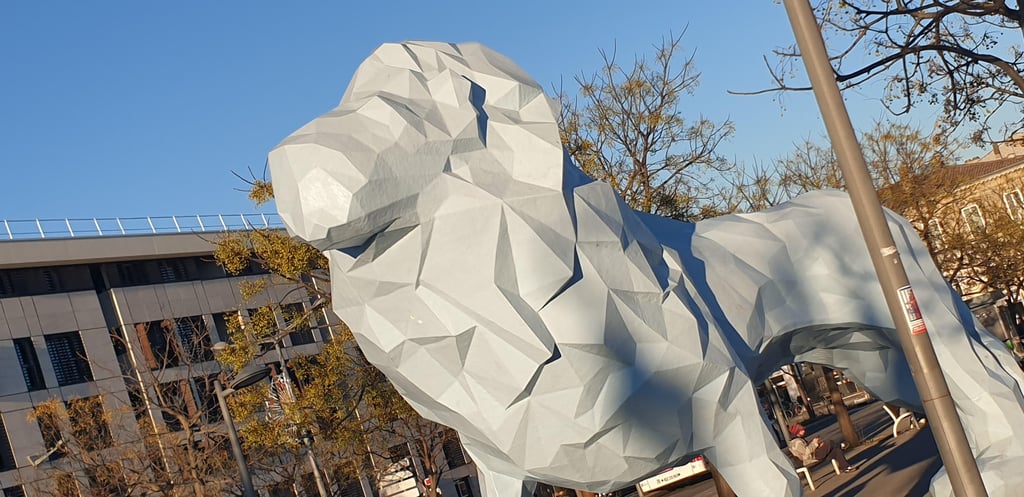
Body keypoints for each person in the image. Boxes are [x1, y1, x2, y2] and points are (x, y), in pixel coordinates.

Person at [788, 423, 856, 472]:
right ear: (797, 432)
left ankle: (846, 468)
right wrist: (814, 443)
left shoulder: (799, 440)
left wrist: (818, 445)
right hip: (811, 459)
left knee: (836, 450)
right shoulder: (796, 442)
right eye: (801, 430)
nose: (804, 431)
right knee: (828, 442)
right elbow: (806, 453)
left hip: (813, 456)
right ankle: (841, 446)